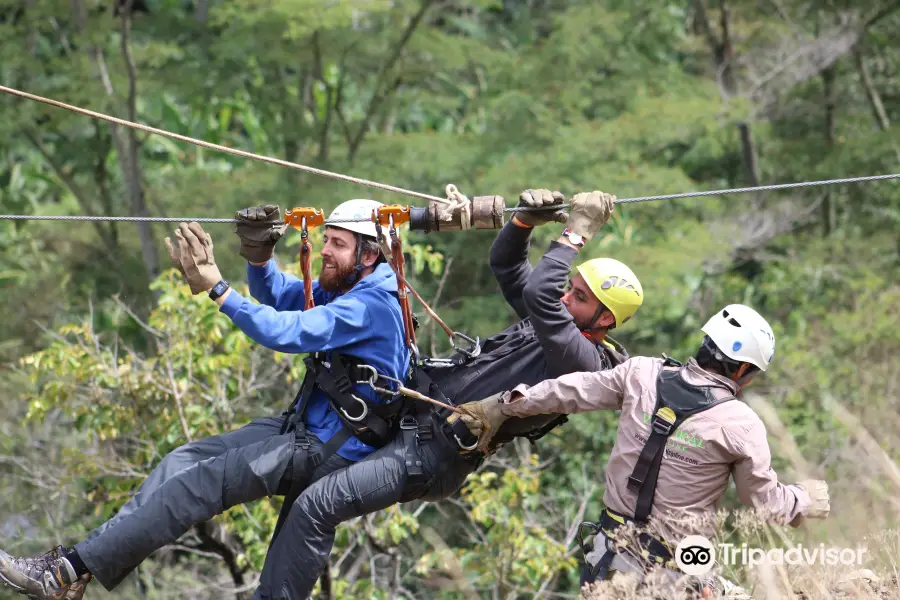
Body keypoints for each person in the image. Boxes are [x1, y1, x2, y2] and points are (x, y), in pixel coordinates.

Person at [0, 200, 411, 600]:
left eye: (337, 244)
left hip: (333, 446)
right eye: (326, 240)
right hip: (306, 430)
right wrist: (258, 259)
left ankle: (61, 572)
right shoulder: (348, 287)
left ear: (369, 254)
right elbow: (282, 294)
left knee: (200, 483)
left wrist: (219, 289)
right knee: (182, 461)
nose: (324, 250)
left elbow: (286, 332)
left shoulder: (370, 304)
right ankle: (75, 571)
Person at [256, 189, 647, 598]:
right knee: (307, 492)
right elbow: (508, 267)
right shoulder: (554, 325)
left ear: (606, 319)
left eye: (579, 297)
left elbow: (540, 295)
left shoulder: (581, 361)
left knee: (316, 507)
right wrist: (523, 223)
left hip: (431, 456)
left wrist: (576, 233)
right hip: (412, 429)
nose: (566, 297)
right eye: (570, 288)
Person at [457, 304, 832, 594]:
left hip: (608, 551)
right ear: (741, 371)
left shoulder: (641, 373)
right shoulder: (741, 424)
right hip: (678, 568)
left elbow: (569, 391)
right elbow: (765, 506)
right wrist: (804, 500)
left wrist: (505, 404)